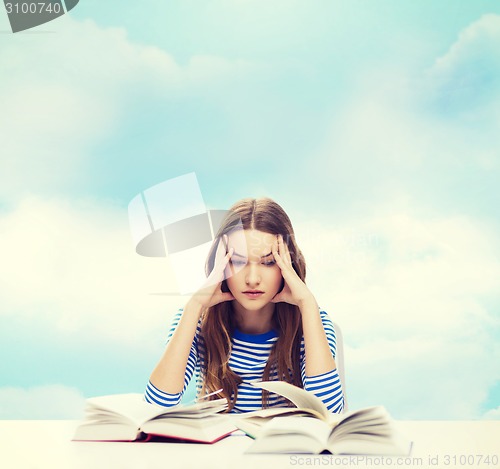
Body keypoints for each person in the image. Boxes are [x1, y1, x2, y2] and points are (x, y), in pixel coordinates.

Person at [144, 197, 344, 413]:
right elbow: (156, 408)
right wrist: (194, 306)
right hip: (216, 447)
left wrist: (307, 304)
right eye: (238, 261)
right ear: (220, 264)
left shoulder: (313, 322)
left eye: (269, 262)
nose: (252, 279)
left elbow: (330, 415)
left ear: (288, 265)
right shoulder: (198, 320)